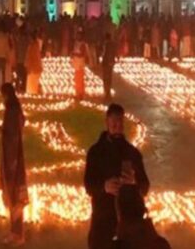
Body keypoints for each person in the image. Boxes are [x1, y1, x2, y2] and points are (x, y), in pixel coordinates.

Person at [84, 104, 150, 249]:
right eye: (114, 122)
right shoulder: (95, 152)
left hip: (128, 221)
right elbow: (89, 185)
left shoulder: (132, 153)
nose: (117, 126)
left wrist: (134, 182)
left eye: (120, 122)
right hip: (103, 219)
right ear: (107, 122)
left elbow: (144, 186)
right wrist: (104, 186)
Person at [0, 83, 28, 246]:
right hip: (16, 155)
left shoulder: (11, 110)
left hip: (12, 158)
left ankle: (17, 233)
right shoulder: (16, 108)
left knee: (14, 194)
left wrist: (3, 132)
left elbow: (10, 134)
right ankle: (16, 231)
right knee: (15, 194)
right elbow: (21, 124)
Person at [24, 30, 43, 95]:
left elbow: (30, 57)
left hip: (33, 68)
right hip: (35, 67)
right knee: (33, 84)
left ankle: (34, 93)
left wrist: (28, 66)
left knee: (32, 86)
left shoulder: (32, 46)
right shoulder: (36, 45)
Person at [71, 34, 89, 99]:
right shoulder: (76, 43)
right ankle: (78, 93)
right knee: (77, 79)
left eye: (79, 36)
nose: (77, 37)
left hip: (80, 63)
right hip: (76, 64)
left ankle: (80, 94)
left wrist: (75, 54)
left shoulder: (83, 44)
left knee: (80, 79)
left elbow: (83, 54)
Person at [101, 33, 117, 103]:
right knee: (109, 77)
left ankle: (107, 93)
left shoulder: (106, 45)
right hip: (110, 62)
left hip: (106, 62)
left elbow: (104, 53)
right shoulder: (113, 44)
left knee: (106, 78)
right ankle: (108, 92)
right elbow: (114, 53)